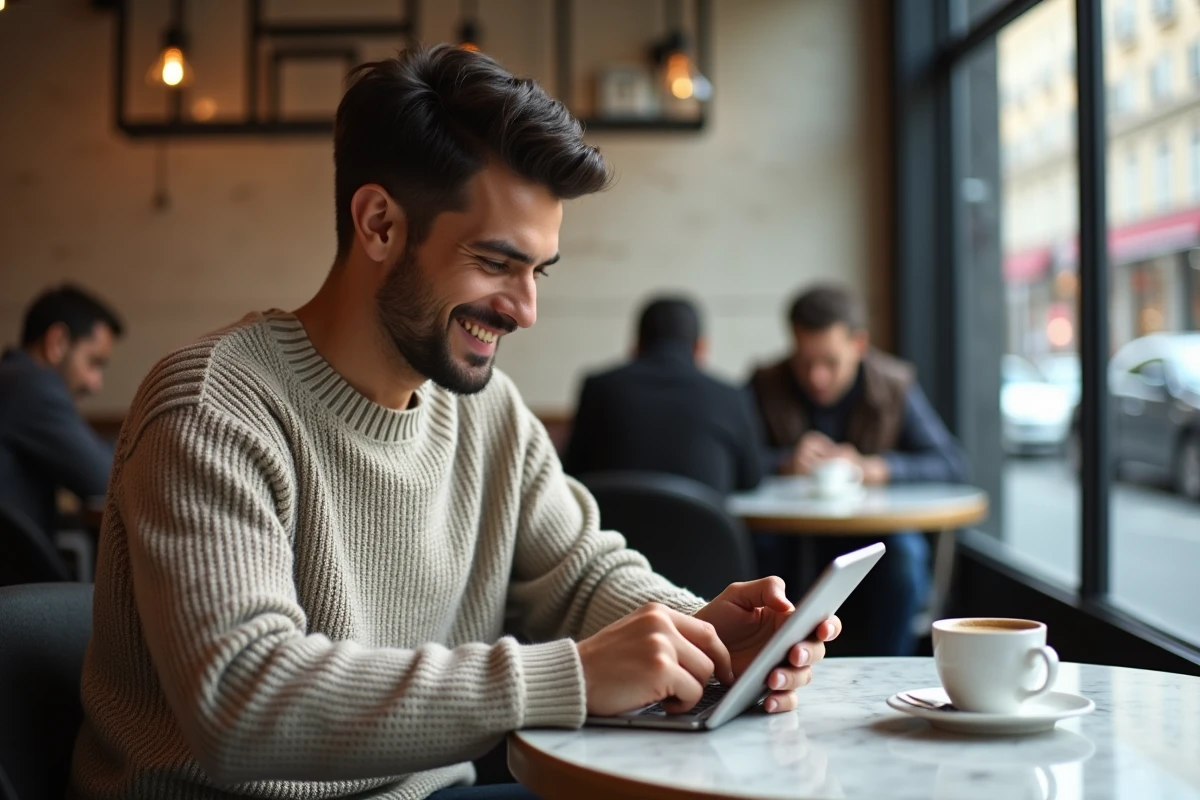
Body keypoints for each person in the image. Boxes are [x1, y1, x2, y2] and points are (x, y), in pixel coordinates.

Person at [70, 47, 841, 800]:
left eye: (538, 271)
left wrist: (697, 634)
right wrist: (569, 676)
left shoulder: (486, 410)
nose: (526, 310)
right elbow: (240, 702)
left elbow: (579, 572)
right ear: (378, 224)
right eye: (497, 263)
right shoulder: (212, 406)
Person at [746, 283, 967, 657]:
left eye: (830, 362)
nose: (816, 377)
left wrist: (876, 467)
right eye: (805, 362)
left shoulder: (894, 386)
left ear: (859, 345)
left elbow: (951, 462)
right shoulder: (766, 383)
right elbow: (734, 458)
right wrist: (784, 461)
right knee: (761, 554)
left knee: (904, 557)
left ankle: (886, 677)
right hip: (791, 536)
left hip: (872, 535)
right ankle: (770, 672)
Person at [563, 296, 763, 495]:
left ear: (637, 345)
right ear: (700, 347)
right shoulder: (731, 396)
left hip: (613, 524)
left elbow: (573, 469)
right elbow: (752, 479)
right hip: (701, 527)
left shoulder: (598, 388)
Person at [0, 284, 122, 539]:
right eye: (93, 362)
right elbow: (105, 480)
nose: (95, 383)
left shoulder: (12, 381)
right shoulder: (31, 386)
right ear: (58, 342)